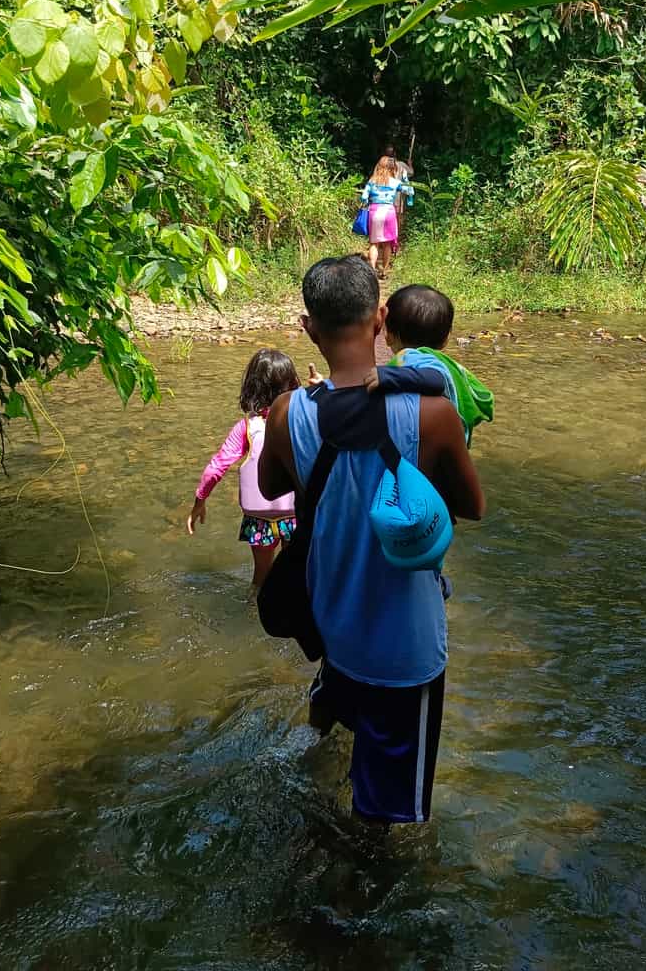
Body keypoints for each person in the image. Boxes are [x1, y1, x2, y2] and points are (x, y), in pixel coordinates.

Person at [257, 255, 485, 825]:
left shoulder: (288, 412)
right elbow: (472, 507)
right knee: (384, 823)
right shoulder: (433, 415)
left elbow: (268, 485)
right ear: (380, 319)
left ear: (308, 328)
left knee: (337, 728)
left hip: (335, 633)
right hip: (404, 651)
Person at [187, 348, 300, 593]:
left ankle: (254, 611)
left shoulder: (246, 428)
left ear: (252, 387)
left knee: (261, 578)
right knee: (296, 574)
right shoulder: (301, 420)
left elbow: (217, 467)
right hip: (294, 517)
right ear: (293, 383)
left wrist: (200, 500)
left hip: (259, 520)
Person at [364, 284, 494, 445]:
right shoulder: (448, 365)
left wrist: (389, 375)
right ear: (446, 339)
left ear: (388, 335)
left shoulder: (413, 356)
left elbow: (436, 378)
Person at [360, 155, 412, 279]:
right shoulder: (395, 182)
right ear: (392, 168)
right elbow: (409, 191)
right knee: (387, 244)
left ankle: (372, 270)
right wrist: (405, 179)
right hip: (389, 211)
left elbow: (363, 197)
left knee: (374, 243)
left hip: (374, 211)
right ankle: (384, 271)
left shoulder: (372, 181)